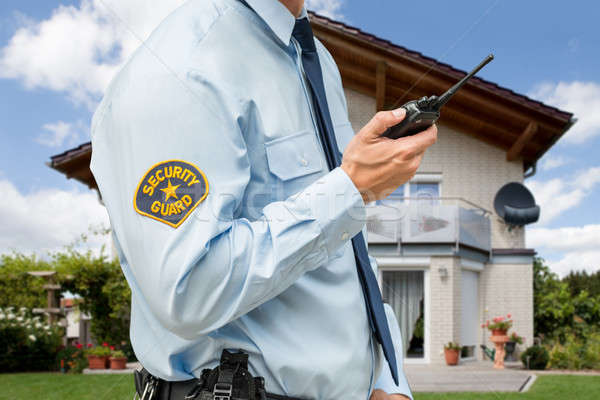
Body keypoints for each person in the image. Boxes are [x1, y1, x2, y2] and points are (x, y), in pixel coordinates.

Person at [90, 0, 437, 399]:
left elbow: (345, 252)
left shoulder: (317, 60)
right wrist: (349, 191)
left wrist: (385, 381)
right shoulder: (179, 67)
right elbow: (188, 290)